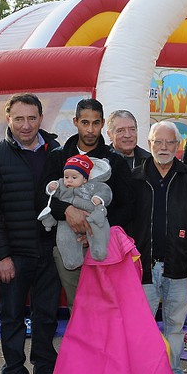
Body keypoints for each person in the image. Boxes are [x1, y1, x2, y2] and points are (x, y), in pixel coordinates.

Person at [0, 94, 62, 374]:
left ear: (41, 119)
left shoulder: (57, 152)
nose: (26, 125)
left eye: (32, 118)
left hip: (50, 253)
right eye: (19, 119)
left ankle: (45, 370)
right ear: (8, 120)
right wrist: (0, 256)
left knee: (46, 316)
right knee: (11, 319)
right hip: (13, 256)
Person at [129, 120, 187, 374]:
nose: (163, 147)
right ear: (149, 144)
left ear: (178, 145)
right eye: (158, 142)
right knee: (141, 328)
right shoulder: (134, 179)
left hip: (179, 266)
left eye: (169, 142)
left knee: (175, 327)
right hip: (143, 268)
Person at [39, 98, 135, 309]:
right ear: (75, 122)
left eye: (96, 123)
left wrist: (95, 229)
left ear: (103, 123)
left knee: (106, 308)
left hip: (103, 247)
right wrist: (66, 210)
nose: (90, 130)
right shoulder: (58, 157)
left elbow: (128, 207)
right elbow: (43, 198)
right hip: (67, 246)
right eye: (85, 122)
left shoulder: (115, 161)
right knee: (78, 308)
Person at [41, 155, 112, 269]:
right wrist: (51, 187)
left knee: (98, 230)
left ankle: (99, 251)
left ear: (85, 178)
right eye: (66, 177)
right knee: (64, 238)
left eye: (74, 177)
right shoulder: (62, 185)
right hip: (66, 221)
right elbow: (49, 193)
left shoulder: (93, 186)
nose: (69, 180)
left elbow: (105, 191)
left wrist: (99, 198)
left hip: (91, 215)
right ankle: (71, 260)